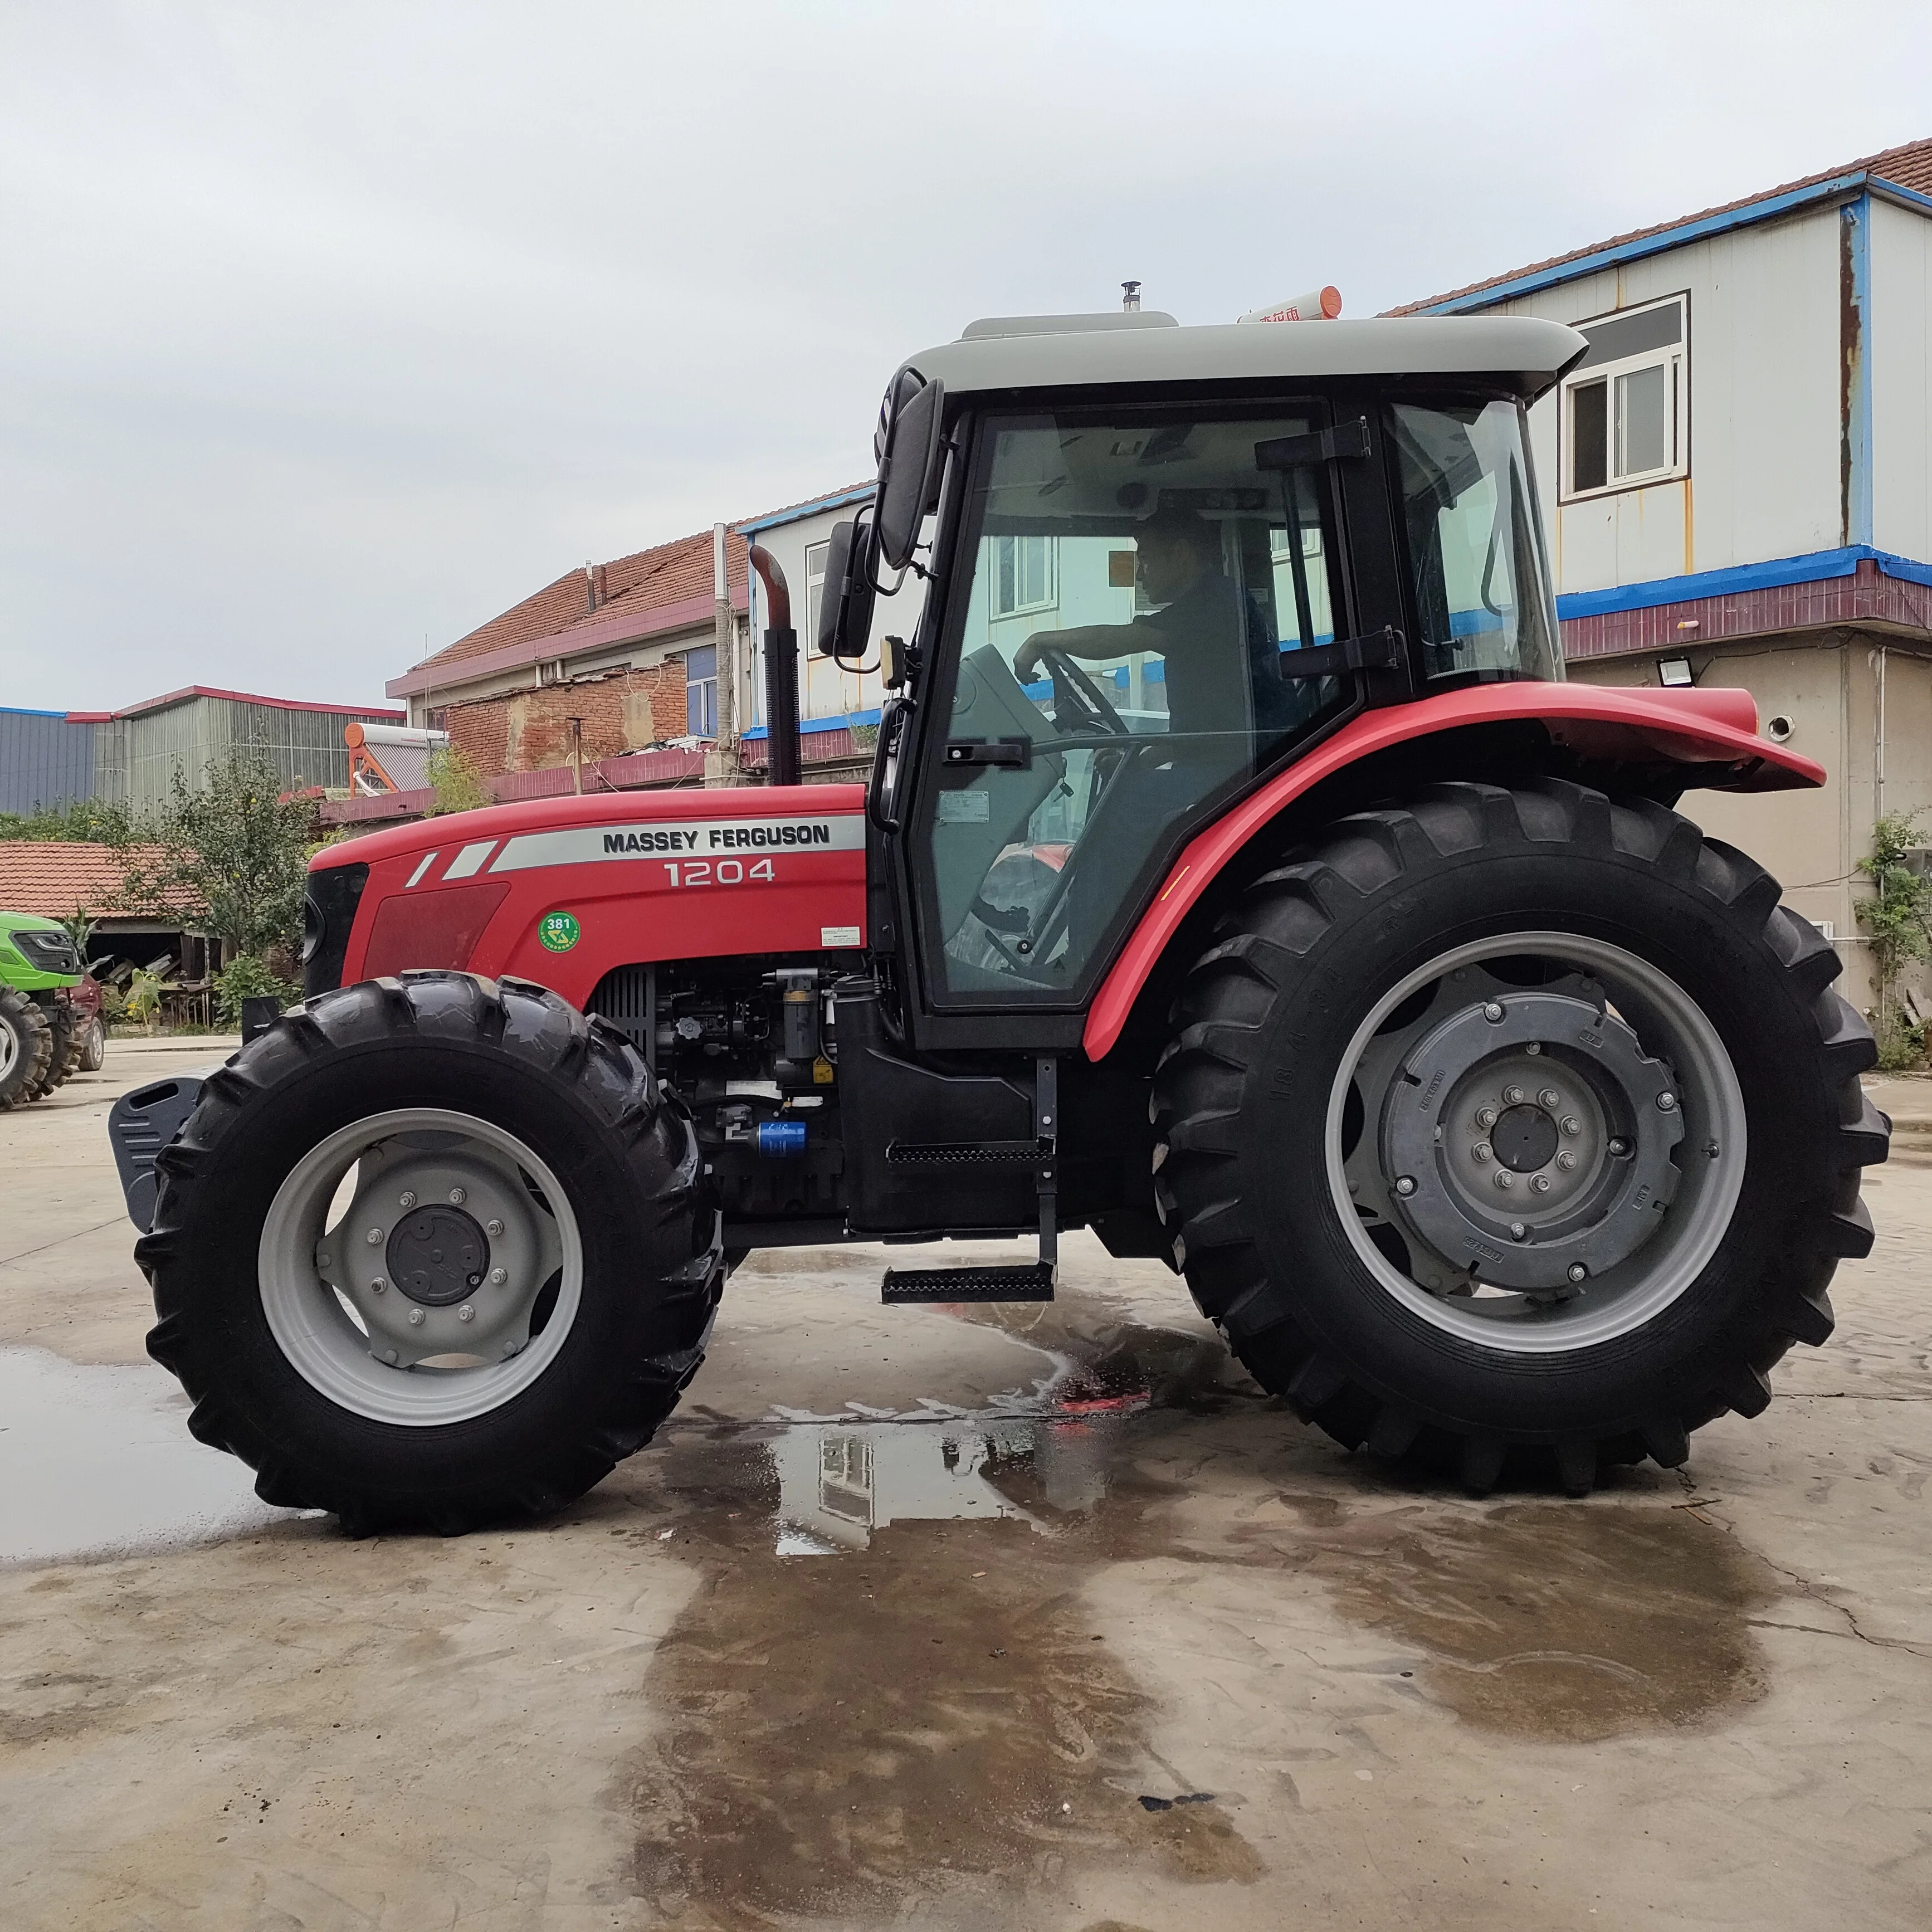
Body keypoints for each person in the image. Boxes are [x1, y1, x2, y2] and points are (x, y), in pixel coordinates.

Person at [1011, 506, 1292, 739]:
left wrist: (1040, 640)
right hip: (1230, 761)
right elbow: (1212, 727)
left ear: (1181, 554)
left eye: (1145, 560)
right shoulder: (1214, 599)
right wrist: (1153, 754)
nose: (1139, 576)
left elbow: (1116, 640)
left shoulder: (1212, 604)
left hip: (1246, 772)